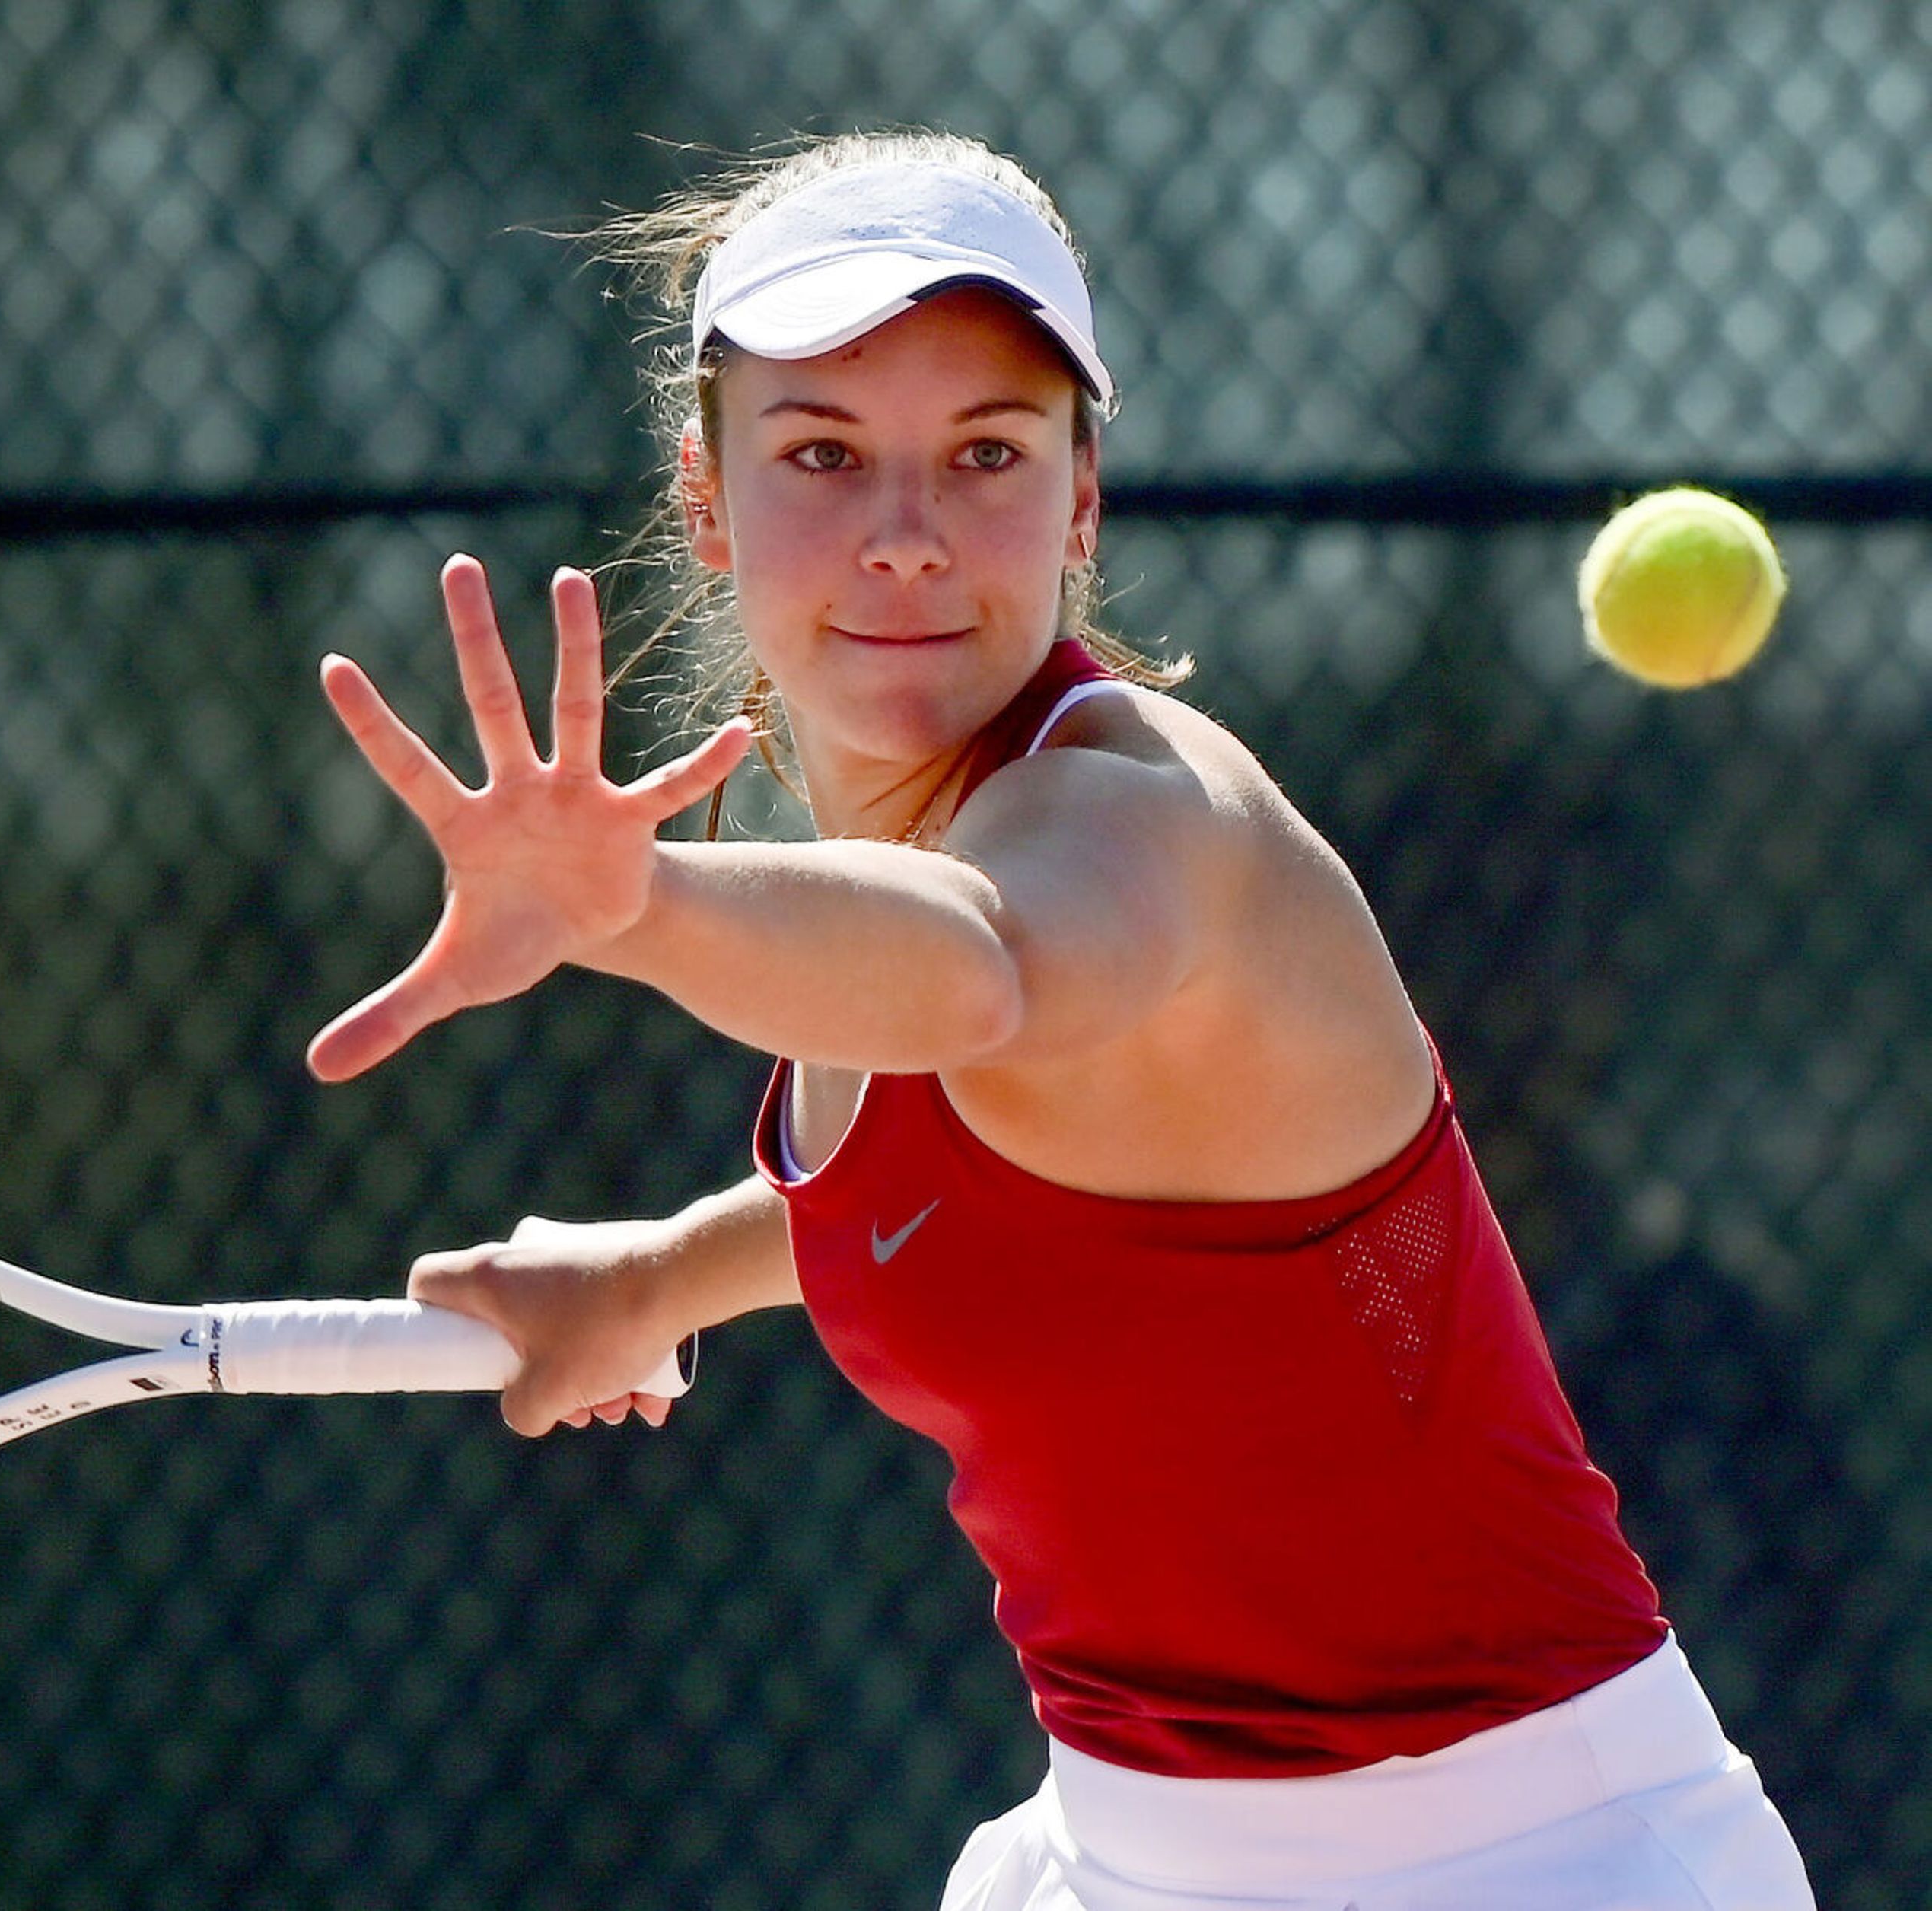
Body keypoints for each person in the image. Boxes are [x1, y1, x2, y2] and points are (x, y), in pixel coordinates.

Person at [306, 130, 1815, 1910]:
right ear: (708, 502)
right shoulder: (860, 906)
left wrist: (637, 905)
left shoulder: (1150, 816)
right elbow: (1004, 1211)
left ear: (1080, 499)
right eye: (821, 454)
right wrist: (656, 1277)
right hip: (1121, 1850)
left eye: (987, 454)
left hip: (1542, 1857)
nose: (906, 534)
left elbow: (986, 972)